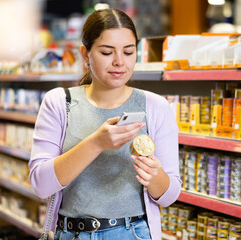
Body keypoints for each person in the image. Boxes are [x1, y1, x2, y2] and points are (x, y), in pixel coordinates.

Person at [29, 8, 181, 240]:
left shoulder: (156, 106)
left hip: (134, 233)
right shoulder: (60, 102)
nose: (119, 62)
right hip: (71, 233)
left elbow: (169, 196)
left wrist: (154, 175)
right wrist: (96, 143)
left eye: (128, 52)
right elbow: (40, 184)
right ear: (85, 54)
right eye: (107, 52)